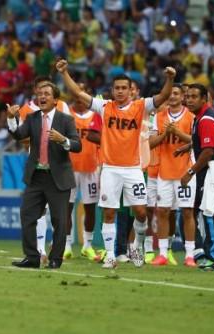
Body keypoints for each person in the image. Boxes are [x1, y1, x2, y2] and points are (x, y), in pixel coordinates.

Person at [56, 58, 176, 269]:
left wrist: (170, 78)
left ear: (131, 91)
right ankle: (111, 255)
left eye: (124, 88)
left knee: (140, 212)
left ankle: (137, 246)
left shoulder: (141, 106)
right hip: (110, 169)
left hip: (133, 169)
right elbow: (77, 94)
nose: (120, 91)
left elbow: (164, 95)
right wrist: (65, 73)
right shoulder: (104, 106)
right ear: (112, 90)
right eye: (117, 88)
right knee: (109, 212)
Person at [7, 82, 81, 269]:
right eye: (40, 93)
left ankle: (56, 258)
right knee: (27, 215)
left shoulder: (66, 120)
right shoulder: (32, 118)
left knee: (59, 221)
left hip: (58, 178)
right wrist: (11, 119)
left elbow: (77, 145)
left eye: (47, 94)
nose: (42, 96)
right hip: (36, 176)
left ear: (55, 100)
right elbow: (18, 135)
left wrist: (63, 140)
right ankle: (32, 257)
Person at [179, 84, 214, 270]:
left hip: (213, 170)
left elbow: (208, 151)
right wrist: (190, 146)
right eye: (187, 96)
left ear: (204, 98)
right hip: (213, 169)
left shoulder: (206, 119)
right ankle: (213, 254)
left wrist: (190, 172)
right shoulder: (202, 117)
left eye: (193, 97)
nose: (189, 100)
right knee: (212, 213)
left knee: (211, 213)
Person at [149, 84, 196, 267]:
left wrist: (177, 133)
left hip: (185, 172)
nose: (173, 96)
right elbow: (151, 143)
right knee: (162, 211)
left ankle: (189, 255)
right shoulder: (159, 117)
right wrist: (165, 135)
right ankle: (162, 253)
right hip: (165, 172)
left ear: (183, 96)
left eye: (176, 93)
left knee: (187, 212)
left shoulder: (191, 117)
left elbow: (196, 141)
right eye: (170, 93)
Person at [66, 83, 101, 261]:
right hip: (68, 168)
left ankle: (87, 245)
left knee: (90, 208)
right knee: (66, 207)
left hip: (90, 168)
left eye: (83, 90)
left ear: (89, 94)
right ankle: (66, 245)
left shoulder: (96, 115)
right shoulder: (66, 114)